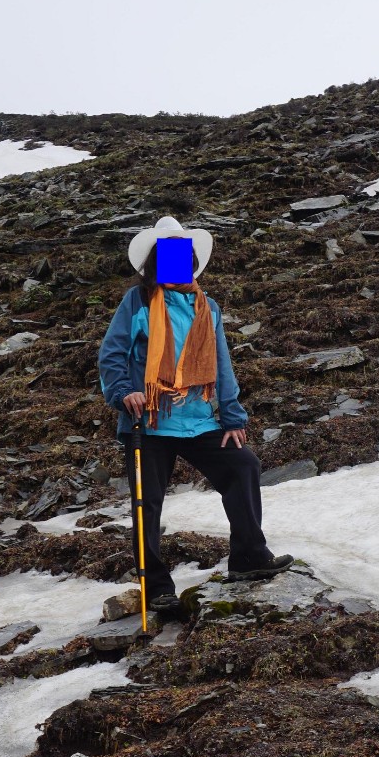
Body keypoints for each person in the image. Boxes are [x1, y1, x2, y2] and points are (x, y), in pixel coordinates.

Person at [97, 215, 292, 610]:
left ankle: (248, 558)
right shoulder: (137, 302)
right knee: (146, 502)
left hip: (200, 420)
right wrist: (124, 392)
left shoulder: (208, 306)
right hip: (149, 420)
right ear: (154, 260)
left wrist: (233, 418)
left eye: (181, 254)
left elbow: (221, 365)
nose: (176, 260)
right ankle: (155, 587)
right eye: (168, 254)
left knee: (243, 466)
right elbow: (112, 354)